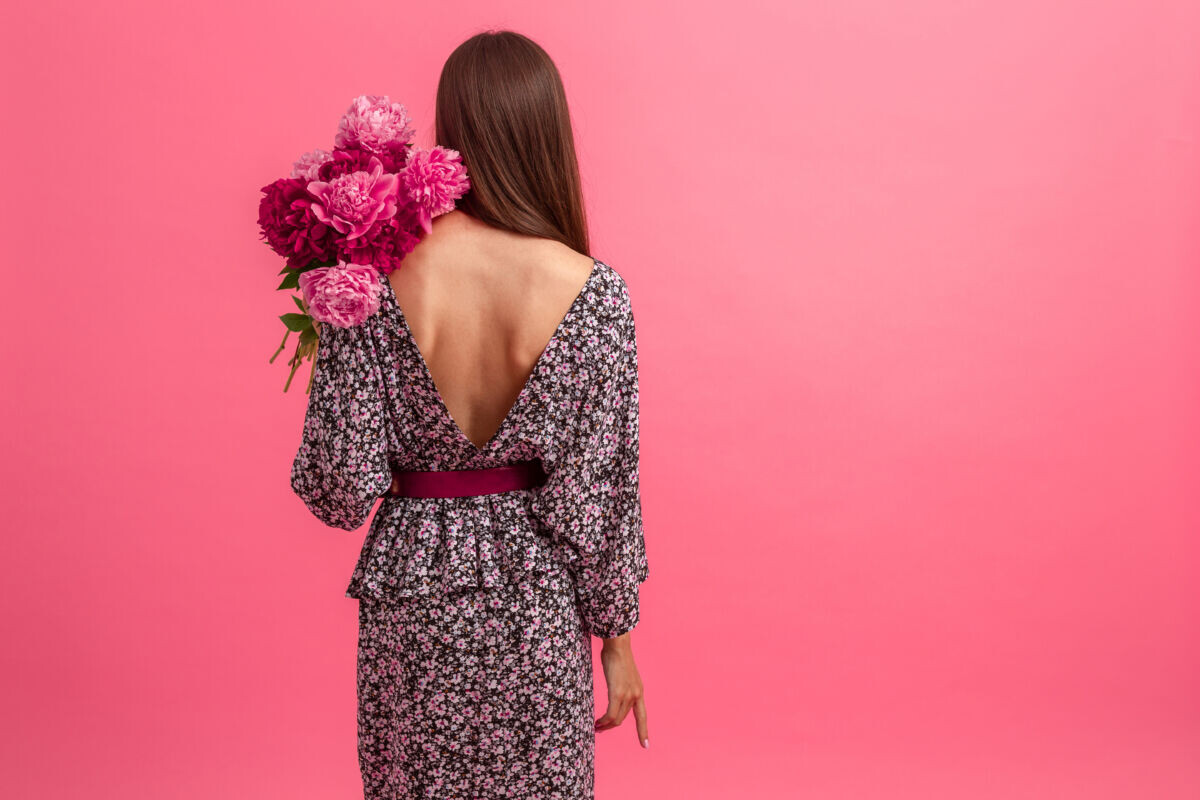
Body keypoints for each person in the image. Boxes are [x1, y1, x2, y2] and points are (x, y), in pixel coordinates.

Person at [289, 29, 650, 799]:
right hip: (536, 602)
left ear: (451, 127)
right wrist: (615, 635)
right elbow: (601, 496)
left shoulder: (370, 276)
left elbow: (339, 489)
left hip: (410, 601)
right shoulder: (594, 292)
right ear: (547, 132)